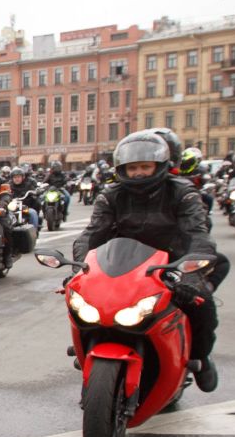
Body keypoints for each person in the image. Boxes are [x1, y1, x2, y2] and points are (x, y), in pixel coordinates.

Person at [80, 131, 225, 391]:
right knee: (86, 306)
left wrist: (191, 272)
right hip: (124, 264)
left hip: (172, 262)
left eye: (145, 167)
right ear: (122, 168)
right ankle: (86, 354)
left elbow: (198, 234)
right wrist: (82, 268)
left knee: (201, 303)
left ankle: (200, 357)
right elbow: (91, 234)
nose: (138, 173)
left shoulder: (183, 192)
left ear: (160, 166)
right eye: (132, 167)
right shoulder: (111, 195)